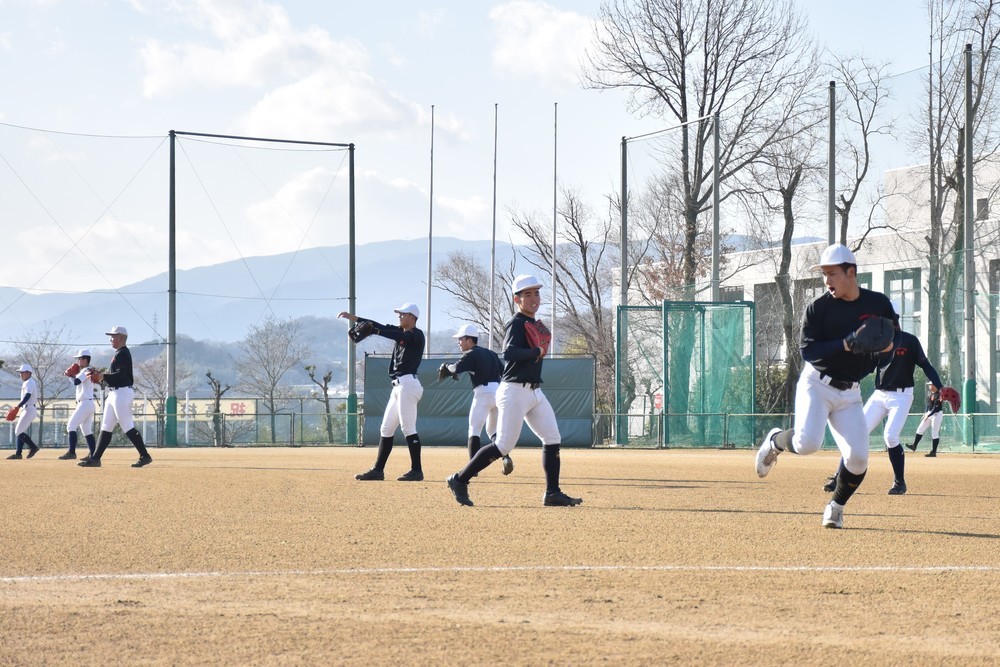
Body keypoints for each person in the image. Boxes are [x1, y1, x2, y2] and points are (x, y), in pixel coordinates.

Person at [754, 244, 895, 529]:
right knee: (807, 444)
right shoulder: (818, 308)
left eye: (832, 274)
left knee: (857, 458)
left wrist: (883, 351)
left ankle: (836, 507)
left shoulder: (878, 303)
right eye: (824, 275)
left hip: (850, 394)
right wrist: (845, 344)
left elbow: (891, 342)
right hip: (816, 385)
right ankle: (775, 441)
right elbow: (808, 351)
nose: (827, 280)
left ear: (851, 272)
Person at [446, 274, 582, 507]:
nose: (533, 298)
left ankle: (552, 493)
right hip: (514, 390)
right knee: (504, 445)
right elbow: (509, 353)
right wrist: (535, 351)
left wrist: (536, 350)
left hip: (534, 391)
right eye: (527, 294)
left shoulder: (534, 323)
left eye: (536, 293)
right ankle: (459, 479)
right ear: (516, 299)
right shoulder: (516, 323)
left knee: (552, 437)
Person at [822, 304, 942, 495]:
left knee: (890, 436)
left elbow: (925, 365)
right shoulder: (877, 341)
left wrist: (940, 386)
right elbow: (866, 367)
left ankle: (899, 483)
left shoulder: (909, 340)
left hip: (902, 396)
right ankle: (838, 477)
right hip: (880, 395)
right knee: (855, 434)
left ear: (895, 318)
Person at [339, 303, 426, 481]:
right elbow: (380, 326)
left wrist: (376, 332)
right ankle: (378, 470)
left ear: (413, 317)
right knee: (386, 428)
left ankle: (417, 470)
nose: (399, 316)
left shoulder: (416, 335)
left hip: (408, 385)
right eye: (399, 314)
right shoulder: (401, 332)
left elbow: (394, 334)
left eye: (403, 314)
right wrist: (354, 318)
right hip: (399, 386)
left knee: (408, 428)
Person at [442, 323, 513, 475]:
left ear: (469, 340)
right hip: (498, 392)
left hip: (483, 394)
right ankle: (505, 456)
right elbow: (504, 374)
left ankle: (472, 469)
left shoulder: (470, 354)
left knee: (474, 430)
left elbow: (454, 369)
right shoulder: (491, 354)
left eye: (461, 339)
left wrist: (446, 366)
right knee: (492, 430)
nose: (459, 342)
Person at [78, 326, 153, 468]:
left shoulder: (123, 353)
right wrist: (100, 376)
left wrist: (102, 375)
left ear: (120, 337)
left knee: (127, 426)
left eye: (113, 336)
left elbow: (122, 375)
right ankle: (95, 459)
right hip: (114, 393)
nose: (110, 338)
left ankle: (145, 456)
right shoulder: (119, 353)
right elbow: (115, 376)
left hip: (122, 393)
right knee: (106, 427)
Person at [59, 348, 98, 461]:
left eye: (80, 358)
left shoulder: (86, 370)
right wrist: (73, 376)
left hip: (85, 403)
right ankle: (93, 454)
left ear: (86, 359)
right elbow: (77, 381)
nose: (78, 361)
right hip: (88, 403)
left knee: (70, 426)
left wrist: (69, 376)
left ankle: (71, 452)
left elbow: (76, 382)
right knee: (86, 430)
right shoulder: (86, 370)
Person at [6, 364, 40, 459]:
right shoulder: (28, 382)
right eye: (20, 373)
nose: (21, 374)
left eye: (22, 372)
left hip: (29, 409)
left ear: (29, 373)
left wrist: (18, 406)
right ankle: (18, 453)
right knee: (19, 431)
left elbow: (28, 395)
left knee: (18, 431)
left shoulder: (29, 382)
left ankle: (33, 447)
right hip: (27, 408)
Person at [907, 382, 944, 457]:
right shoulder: (930, 393)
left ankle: (933, 452)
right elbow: (928, 404)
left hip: (936, 414)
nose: (930, 386)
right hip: (930, 413)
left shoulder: (939, 394)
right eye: (929, 385)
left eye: (931, 385)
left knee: (934, 433)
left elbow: (936, 408)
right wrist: (926, 413)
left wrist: (929, 415)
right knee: (920, 429)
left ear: (935, 386)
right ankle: (914, 446)